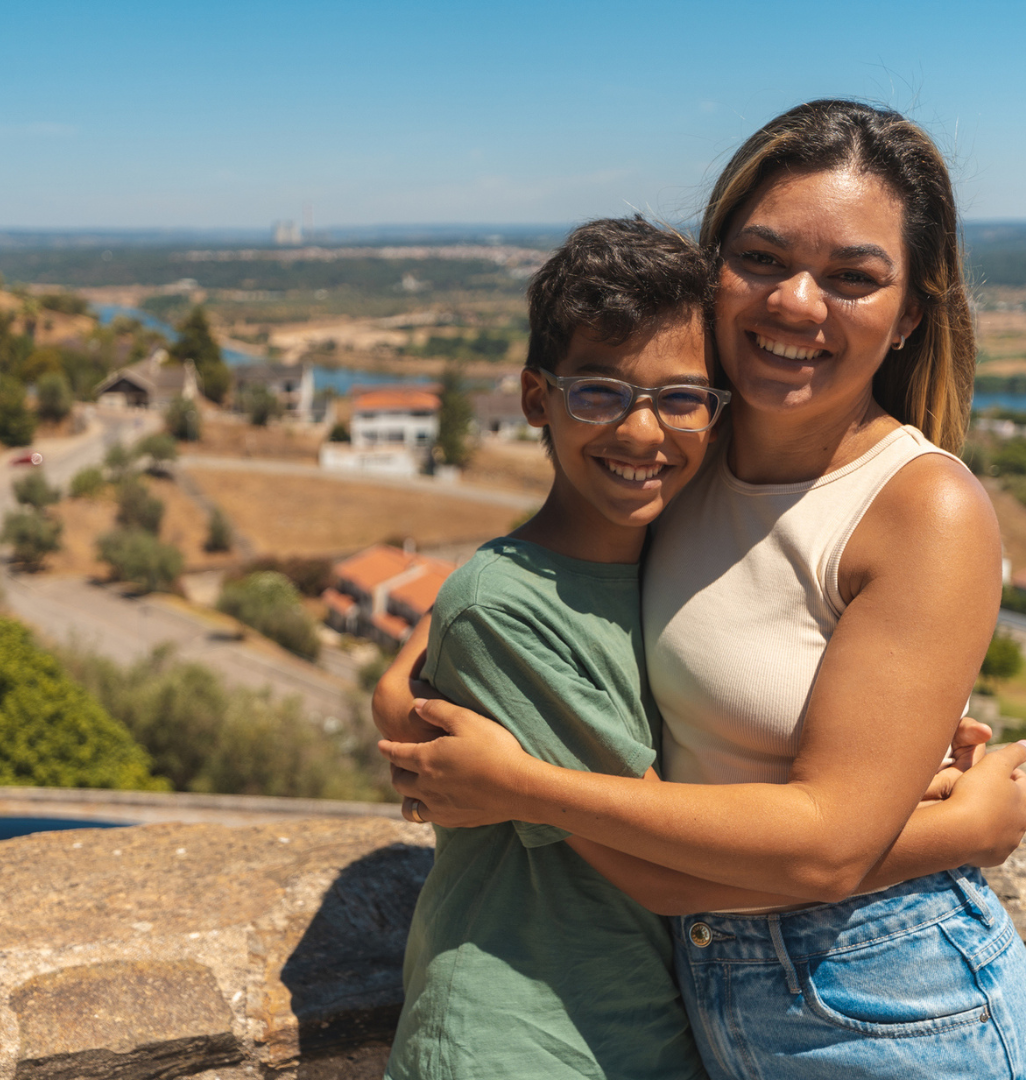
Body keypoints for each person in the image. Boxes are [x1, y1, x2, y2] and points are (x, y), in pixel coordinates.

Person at [377, 100, 1026, 1079]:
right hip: (711, 1001)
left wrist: (519, 785)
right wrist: (410, 711)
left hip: (890, 1002)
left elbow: (822, 853)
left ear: (910, 317)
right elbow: (485, 616)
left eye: (852, 277)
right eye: (762, 260)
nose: (797, 303)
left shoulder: (921, 507)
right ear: (711, 270)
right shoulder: (686, 457)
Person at [385, 218, 720, 1080]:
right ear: (538, 398)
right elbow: (664, 858)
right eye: (601, 393)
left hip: (639, 1032)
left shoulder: (673, 563)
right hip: (517, 1041)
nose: (644, 434)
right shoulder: (503, 608)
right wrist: (942, 831)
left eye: (682, 397)